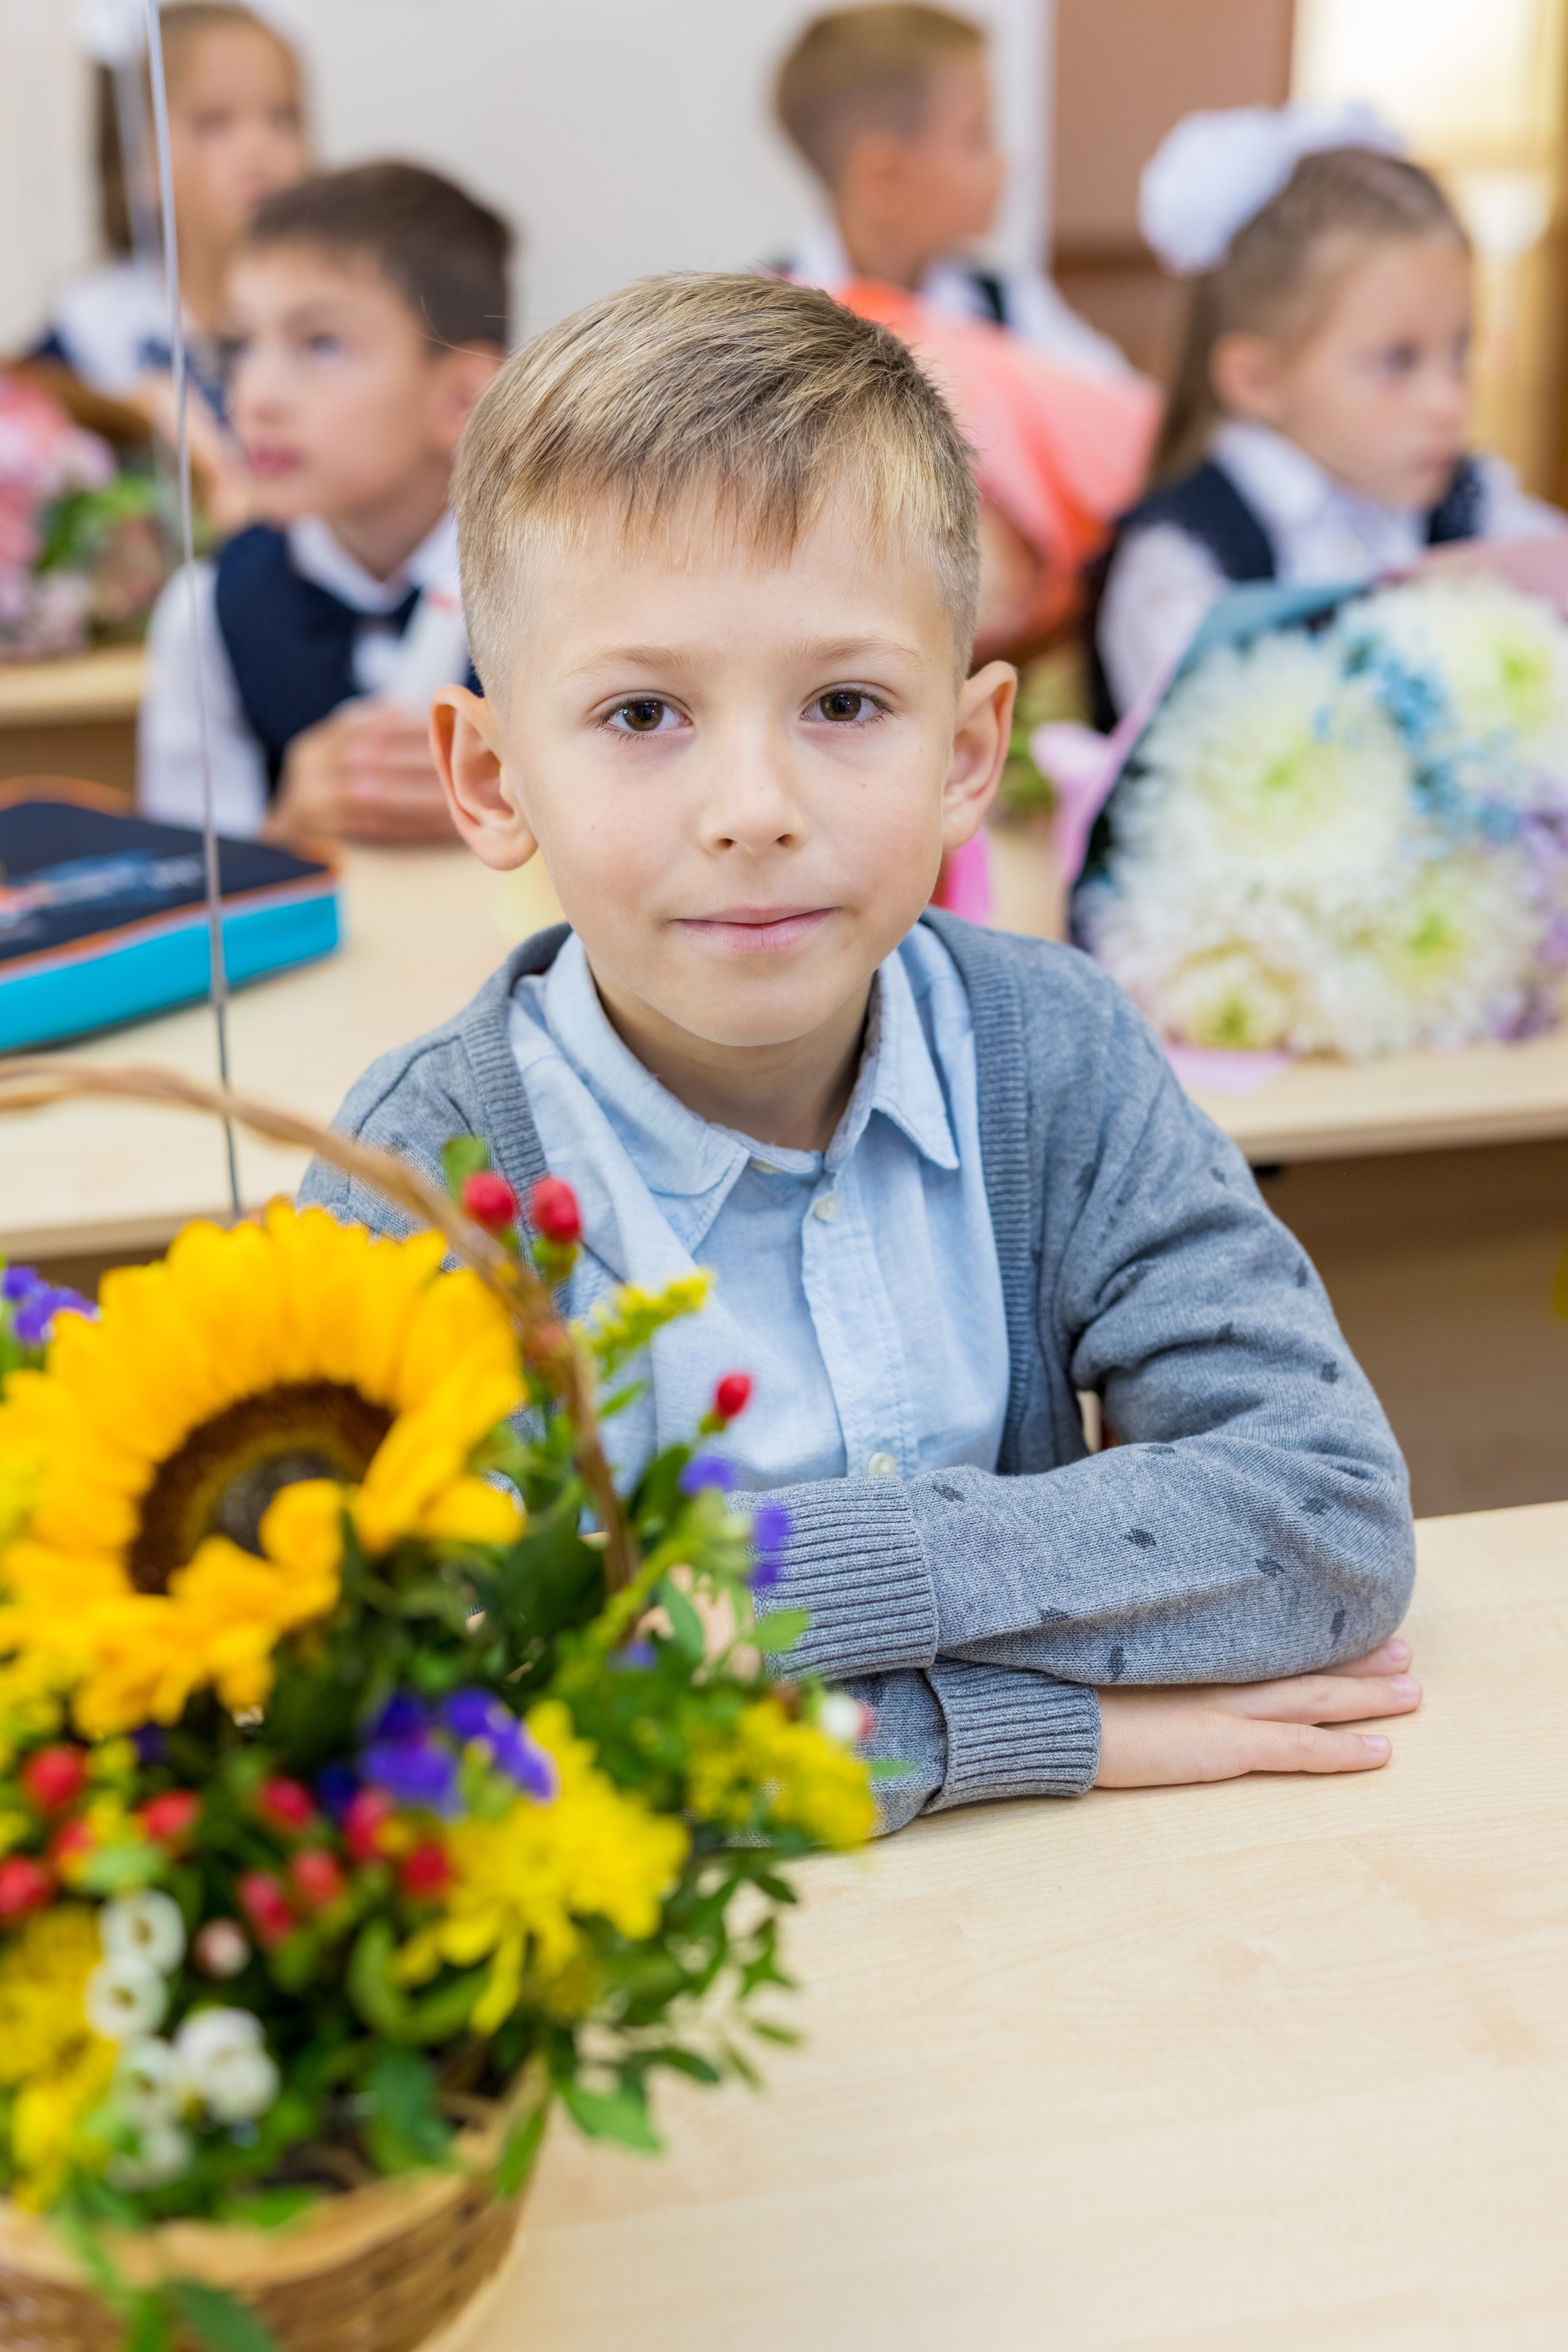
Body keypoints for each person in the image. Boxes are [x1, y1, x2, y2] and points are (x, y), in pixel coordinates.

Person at [300, 274, 1422, 1833]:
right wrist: (1035, 1726)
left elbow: (1324, 1517)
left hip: (1066, 1953)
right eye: (641, 713)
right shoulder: (424, 1174)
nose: (752, 803)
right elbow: (431, 1728)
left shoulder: (1052, 1048)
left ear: (964, 754)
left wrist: (787, 1586)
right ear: (490, 779)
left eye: (842, 701)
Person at [1092, 105, 1566, 724]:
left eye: (1459, 352)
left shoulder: (1473, 503)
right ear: (1256, 378)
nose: (1449, 401)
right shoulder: (1180, 560)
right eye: (1397, 361)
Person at [138, 161, 510, 844]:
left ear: (461, 399)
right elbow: (188, 890)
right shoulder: (205, 613)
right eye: (241, 346)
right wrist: (290, 828)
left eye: (321, 344)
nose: (258, 396)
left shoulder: (562, 589)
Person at [41, 2, 308, 517]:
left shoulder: (331, 307)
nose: (258, 148)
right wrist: (131, 410)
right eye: (214, 124)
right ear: (142, 160)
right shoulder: (97, 320)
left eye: (283, 118)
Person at [772, 4, 1130, 380]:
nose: (1005, 162)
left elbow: (1123, 408)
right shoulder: (761, 328)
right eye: (977, 136)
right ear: (884, 178)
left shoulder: (1008, 306)